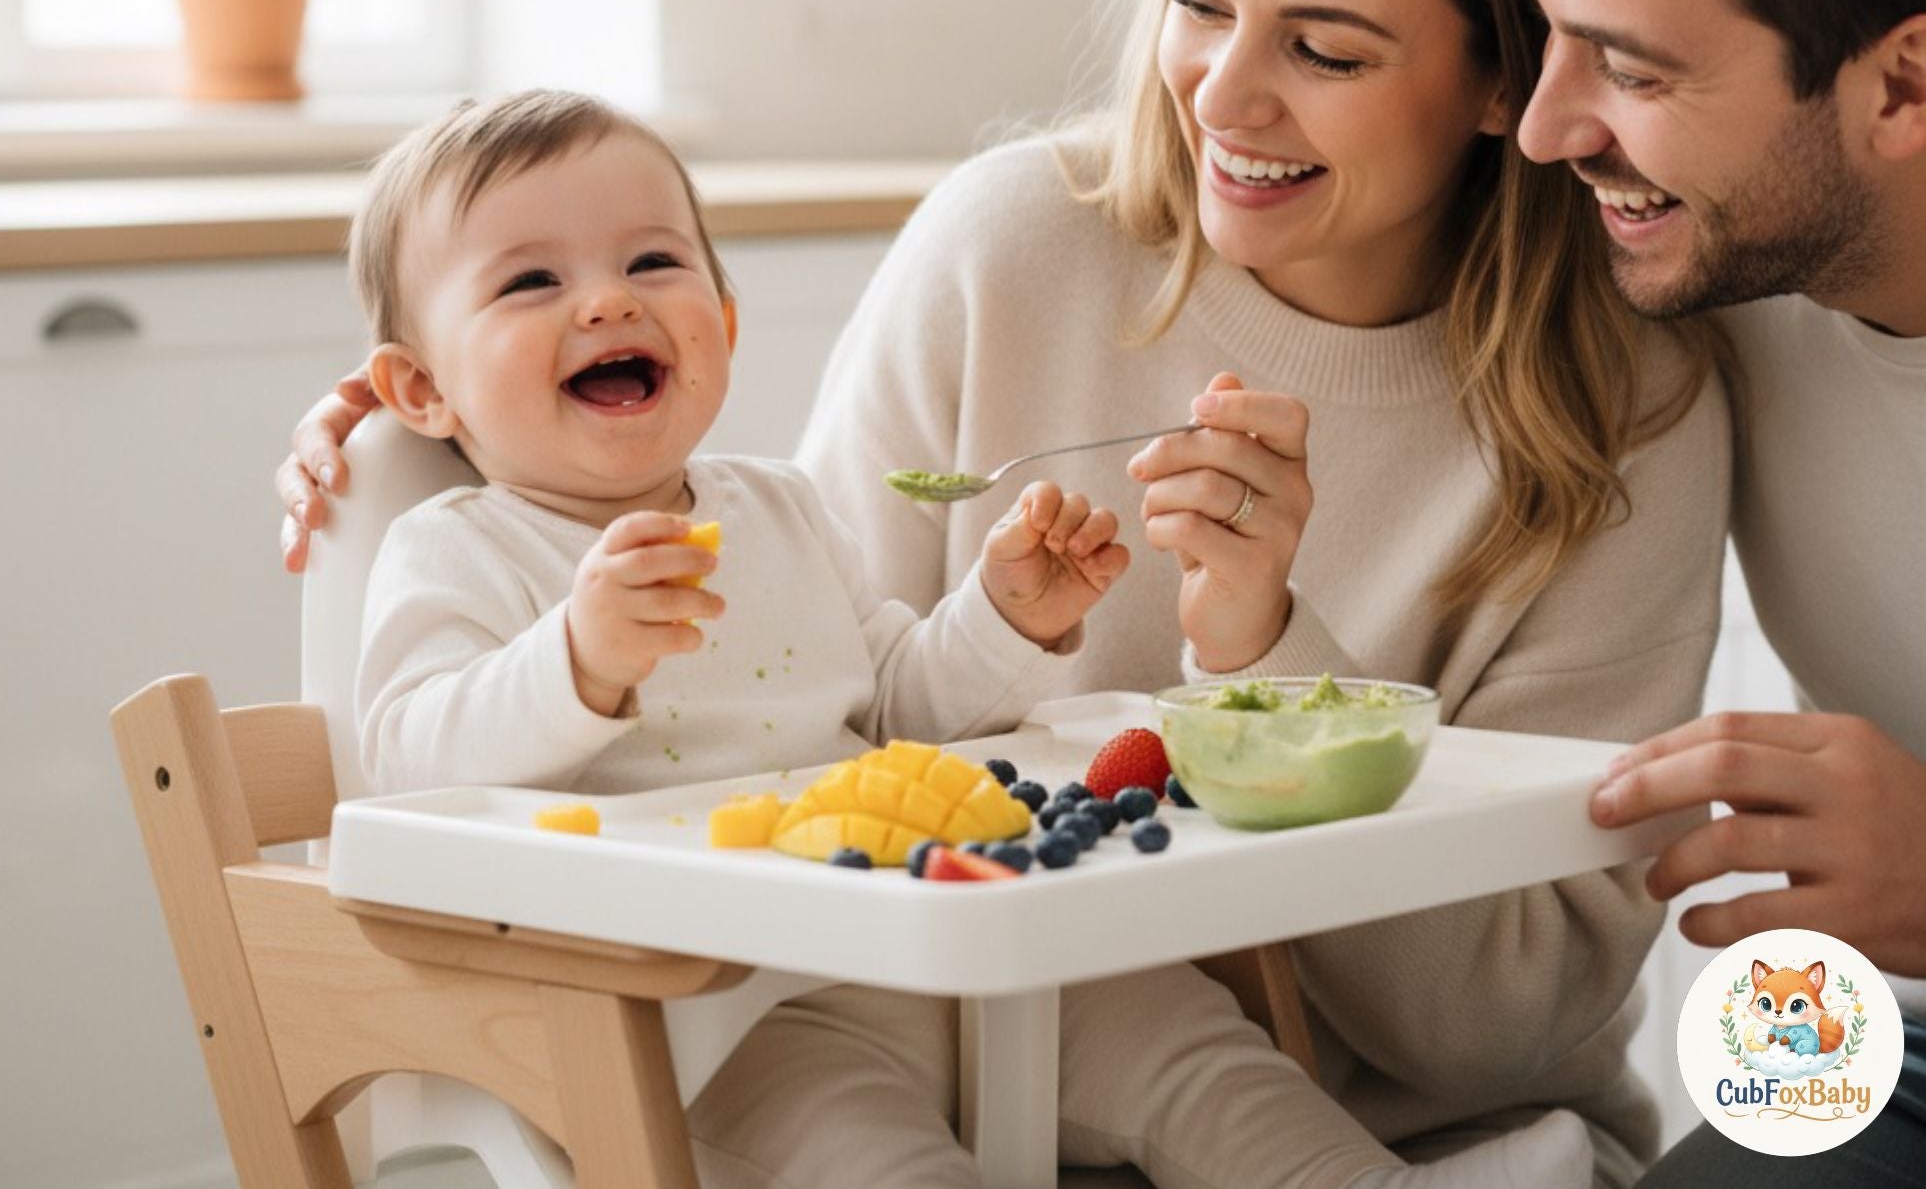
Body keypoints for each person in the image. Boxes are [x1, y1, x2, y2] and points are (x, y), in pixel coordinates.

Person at [280, 0, 1732, 1186]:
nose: (1222, 93)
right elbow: (830, 720)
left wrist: (1263, 669)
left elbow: (1498, 1025)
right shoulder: (1012, 247)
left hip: (1412, 1131)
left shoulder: (1630, 397)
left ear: (1510, 84)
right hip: (954, 1090)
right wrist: (419, 446)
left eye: (1326, 48)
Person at [345, 84, 1594, 1189]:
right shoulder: (459, 549)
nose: (607, 299)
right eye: (530, 282)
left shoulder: (776, 509)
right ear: (420, 389)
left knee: (1177, 1033)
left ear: (723, 323)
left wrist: (1003, 619)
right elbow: (406, 766)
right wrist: (578, 662)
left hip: (916, 938)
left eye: (654, 263)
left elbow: (892, 707)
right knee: (881, 1162)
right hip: (707, 1025)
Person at [1491, 0, 1926, 1186]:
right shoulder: (1710, 262)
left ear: (1900, 83)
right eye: (1549, 31)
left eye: (1631, 69)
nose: (1547, 127)